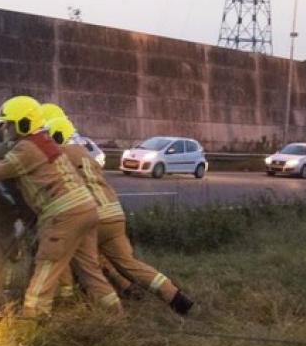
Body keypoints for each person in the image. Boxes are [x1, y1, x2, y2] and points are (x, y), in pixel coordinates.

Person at [0, 96, 122, 318]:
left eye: (8, 124)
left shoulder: (25, 151)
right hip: (86, 211)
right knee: (90, 271)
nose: (4, 128)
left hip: (63, 216)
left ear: (22, 123)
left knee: (46, 265)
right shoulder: (38, 141)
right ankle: (116, 315)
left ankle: (33, 320)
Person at [46, 115, 195, 315]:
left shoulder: (58, 157)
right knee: (128, 263)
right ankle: (174, 297)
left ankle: (99, 311)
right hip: (114, 214)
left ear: (54, 136)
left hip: (92, 217)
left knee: (83, 264)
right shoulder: (85, 154)